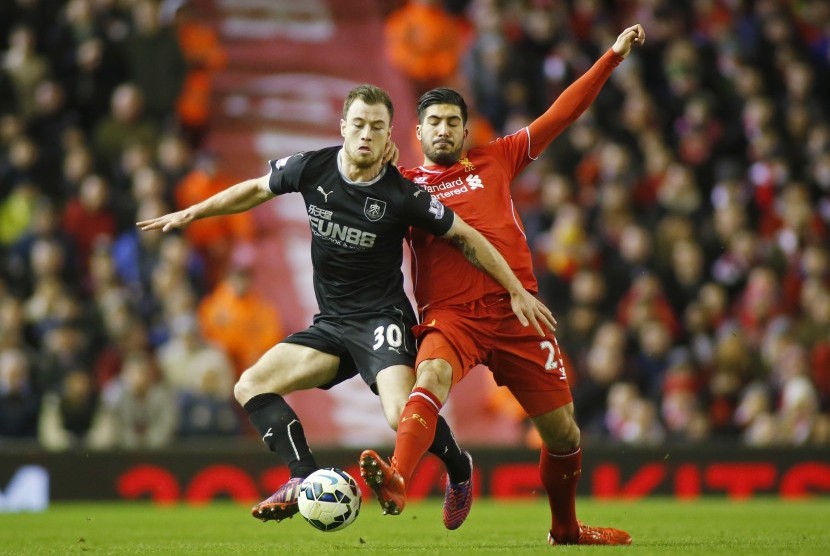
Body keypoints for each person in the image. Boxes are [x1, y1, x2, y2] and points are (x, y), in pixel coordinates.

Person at [137, 84, 554, 524]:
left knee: (400, 415)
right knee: (250, 385)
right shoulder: (313, 167)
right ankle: (303, 478)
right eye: (358, 124)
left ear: (389, 134)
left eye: (377, 127)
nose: (366, 134)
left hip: (382, 321)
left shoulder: (402, 194)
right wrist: (192, 213)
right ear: (343, 127)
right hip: (332, 325)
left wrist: (514, 287)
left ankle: (458, 467)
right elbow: (257, 190)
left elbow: (467, 237)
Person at [358, 25, 645, 546]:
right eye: (433, 123)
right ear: (417, 135)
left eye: (452, 121)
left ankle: (565, 529)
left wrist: (611, 57)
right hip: (453, 315)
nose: (443, 129)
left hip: (519, 312)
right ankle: (399, 477)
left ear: (466, 131)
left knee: (564, 433)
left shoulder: (498, 159)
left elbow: (561, 114)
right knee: (435, 374)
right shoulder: (400, 187)